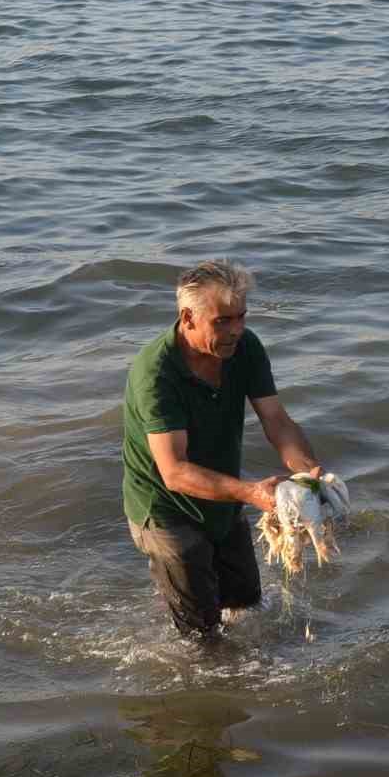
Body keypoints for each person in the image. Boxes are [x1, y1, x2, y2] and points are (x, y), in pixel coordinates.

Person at [121, 259, 325, 639]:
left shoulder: (245, 348)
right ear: (188, 318)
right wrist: (253, 493)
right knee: (201, 635)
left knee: (246, 605)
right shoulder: (156, 373)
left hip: (222, 496)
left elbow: (276, 421)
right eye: (222, 321)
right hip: (164, 506)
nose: (236, 331)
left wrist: (308, 474)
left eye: (241, 317)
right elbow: (174, 472)